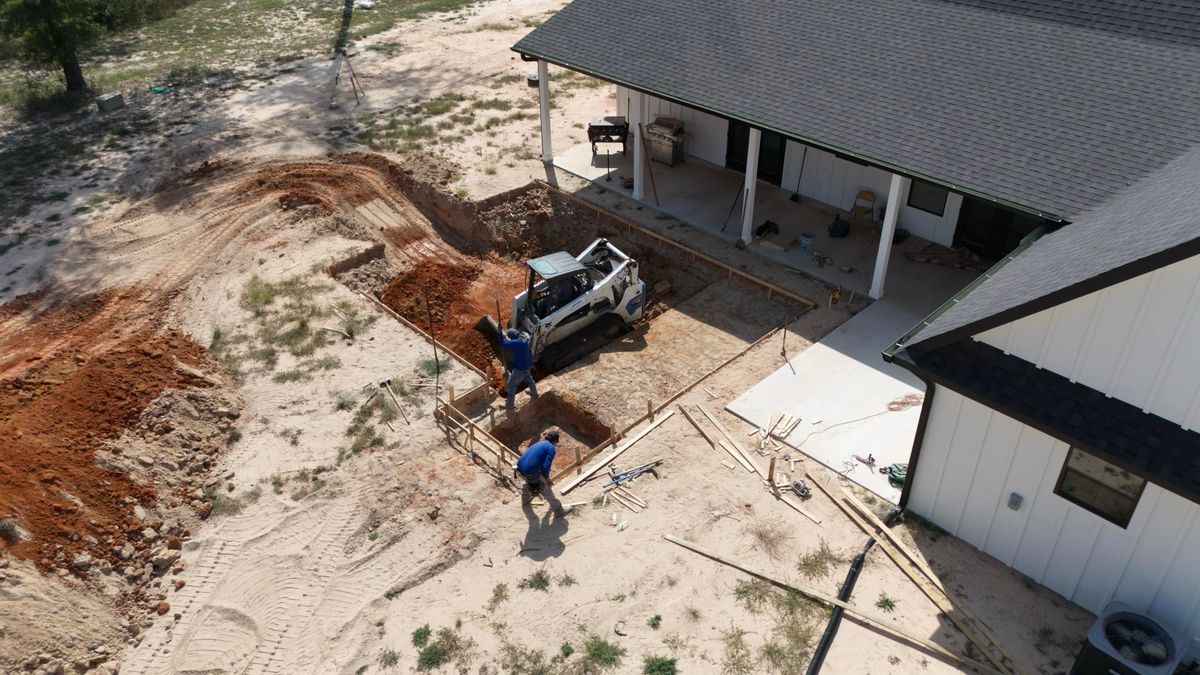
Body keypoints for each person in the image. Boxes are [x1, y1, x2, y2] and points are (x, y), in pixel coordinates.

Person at [516, 430, 565, 517]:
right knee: (546, 490)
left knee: (528, 483)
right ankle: (559, 511)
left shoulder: (539, 443)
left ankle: (525, 503)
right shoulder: (551, 448)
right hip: (530, 471)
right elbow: (546, 465)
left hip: (519, 468)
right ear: (555, 441)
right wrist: (546, 479)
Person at [498, 328, 537, 408]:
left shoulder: (516, 342)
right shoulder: (524, 338)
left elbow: (502, 344)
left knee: (511, 385)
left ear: (512, 337)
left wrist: (499, 333)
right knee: (529, 380)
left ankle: (509, 404)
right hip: (527, 364)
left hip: (520, 369)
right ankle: (534, 393)